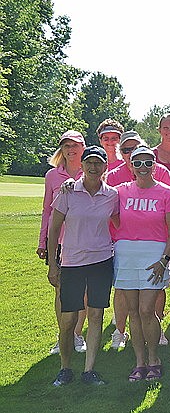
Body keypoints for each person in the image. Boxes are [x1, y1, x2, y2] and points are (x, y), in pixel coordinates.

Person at [47, 146, 118, 386]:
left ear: (105, 167)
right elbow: (54, 227)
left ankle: (89, 370)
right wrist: (52, 263)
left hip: (100, 262)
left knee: (96, 315)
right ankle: (65, 368)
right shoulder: (68, 191)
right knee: (68, 320)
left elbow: (119, 222)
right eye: (89, 162)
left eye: (98, 163)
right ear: (82, 165)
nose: (93, 167)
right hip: (71, 262)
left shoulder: (112, 195)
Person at [112, 146, 170, 382]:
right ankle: (139, 362)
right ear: (130, 165)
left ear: (155, 165)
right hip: (126, 253)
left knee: (146, 310)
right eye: (137, 163)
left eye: (147, 162)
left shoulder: (166, 193)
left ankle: (154, 358)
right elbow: (94, 191)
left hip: (154, 254)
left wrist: (165, 259)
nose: (142, 167)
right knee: (133, 311)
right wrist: (71, 184)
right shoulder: (119, 192)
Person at [39, 130, 87, 355]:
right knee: (61, 291)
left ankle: (76, 335)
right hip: (59, 243)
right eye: (66, 146)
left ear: (83, 148)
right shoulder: (52, 175)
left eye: (75, 145)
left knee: (83, 293)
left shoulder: (91, 171)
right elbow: (47, 211)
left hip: (85, 241)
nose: (71, 150)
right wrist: (43, 242)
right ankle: (63, 336)